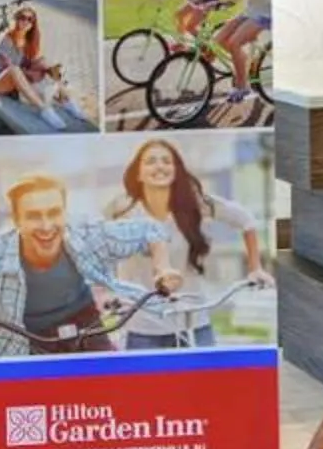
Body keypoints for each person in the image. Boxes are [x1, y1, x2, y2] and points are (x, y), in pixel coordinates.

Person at [0, 174, 180, 356]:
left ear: (64, 212)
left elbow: (151, 229)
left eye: (54, 212)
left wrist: (162, 268)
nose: (47, 225)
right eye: (33, 216)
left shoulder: (85, 233)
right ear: (16, 220)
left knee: (112, 393)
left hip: (87, 328)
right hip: (27, 340)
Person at [108, 139, 270, 349]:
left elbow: (246, 220)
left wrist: (255, 268)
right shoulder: (127, 217)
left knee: (207, 381)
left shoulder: (196, 205)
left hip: (194, 321)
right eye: (150, 161)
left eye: (167, 161)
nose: (159, 166)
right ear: (138, 174)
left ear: (176, 170)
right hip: (143, 328)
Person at [0, 1, 95, 126]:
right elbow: (8, 67)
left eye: (30, 19)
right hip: (3, 84)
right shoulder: (7, 38)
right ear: (17, 19)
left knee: (46, 62)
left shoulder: (29, 40)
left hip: (20, 80)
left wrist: (46, 68)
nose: (26, 22)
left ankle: (66, 100)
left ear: (33, 23)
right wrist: (31, 73)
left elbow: (32, 61)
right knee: (15, 69)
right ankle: (44, 109)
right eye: (23, 18)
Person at [172, 0, 270, 95]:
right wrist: (219, 4)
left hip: (266, 15)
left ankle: (242, 87)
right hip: (249, 13)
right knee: (217, 42)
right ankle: (243, 63)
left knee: (234, 43)